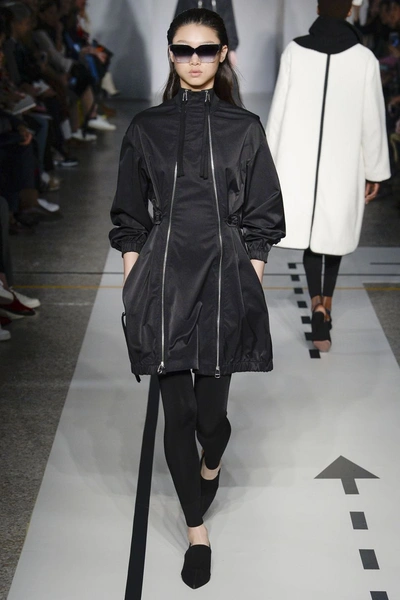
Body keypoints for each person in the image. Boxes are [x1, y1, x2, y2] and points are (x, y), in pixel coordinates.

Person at [109, 7, 285, 590]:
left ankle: (212, 461)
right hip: (163, 280)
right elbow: (129, 214)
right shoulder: (147, 127)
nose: (193, 60)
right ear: (171, 54)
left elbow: (263, 214)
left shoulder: (244, 127)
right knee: (178, 413)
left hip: (224, 281)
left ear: (223, 54)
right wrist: (135, 281)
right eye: (183, 49)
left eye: (205, 49)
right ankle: (196, 530)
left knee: (212, 419)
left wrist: (249, 275)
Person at [266, 0, 390, 352]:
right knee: (333, 234)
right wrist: (376, 169)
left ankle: (316, 304)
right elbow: (372, 119)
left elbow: (278, 111)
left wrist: (267, 163)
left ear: (319, 8)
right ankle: (326, 305)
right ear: (350, 10)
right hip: (344, 162)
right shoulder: (364, 59)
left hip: (298, 162)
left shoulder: (295, 51)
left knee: (311, 235)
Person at [174, 0, 239, 65]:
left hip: (215, 48)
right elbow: (177, 25)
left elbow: (229, 22)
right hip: (190, 47)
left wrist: (231, 49)